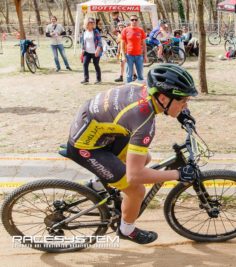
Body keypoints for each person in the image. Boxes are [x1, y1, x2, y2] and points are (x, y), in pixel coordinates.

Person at [65, 64, 198, 245]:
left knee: (146, 158)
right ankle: (126, 229)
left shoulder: (146, 87)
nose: (185, 105)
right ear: (164, 98)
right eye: (183, 101)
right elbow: (135, 176)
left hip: (96, 127)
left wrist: (182, 114)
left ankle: (98, 184)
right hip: (87, 146)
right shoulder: (144, 122)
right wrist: (178, 174)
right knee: (136, 189)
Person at [121, 14, 147, 83]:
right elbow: (122, 45)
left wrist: (145, 56)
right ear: (130, 21)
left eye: (136, 20)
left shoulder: (141, 30)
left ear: (138, 21)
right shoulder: (125, 30)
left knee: (140, 75)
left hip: (139, 55)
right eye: (132, 20)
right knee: (129, 75)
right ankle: (128, 90)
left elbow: (144, 45)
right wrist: (123, 56)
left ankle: (140, 91)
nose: (134, 21)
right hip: (129, 55)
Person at [81, 17, 102, 84]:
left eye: (93, 23)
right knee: (85, 64)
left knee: (96, 64)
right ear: (87, 23)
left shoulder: (96, 31)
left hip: (95, 51)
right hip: (87, 51)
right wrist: (83, 49)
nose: (91, 24)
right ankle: (86, 79)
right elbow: (83, 42)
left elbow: (99, 42)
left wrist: (97, 50)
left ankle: (98, 79)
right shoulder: (85, 32)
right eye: (90, 22)